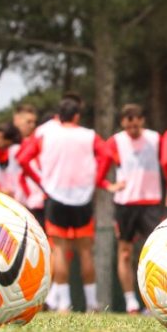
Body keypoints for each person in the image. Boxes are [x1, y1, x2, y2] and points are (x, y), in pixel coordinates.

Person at [17, 95, 111, 313]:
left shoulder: (46, 135)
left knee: (59, 250)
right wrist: (97, 180)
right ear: (77, 116)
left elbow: (22, 159)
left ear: (59, 117)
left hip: (55, 196)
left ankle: (63, 303)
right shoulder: (89, 135)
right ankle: (92, 304)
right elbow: (107, 154)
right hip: (82, 198)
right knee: (85, 251)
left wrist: (41, 181)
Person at [106, 104, 163, 314]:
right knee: (125, 253)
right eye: (128, 125)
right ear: (122, 123)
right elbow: (99, 166)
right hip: (125, 203)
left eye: (136, 124)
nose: (132, 129)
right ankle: (131, 302)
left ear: (142, 121)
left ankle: (153, 301)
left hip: (150, 202)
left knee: (155, 253)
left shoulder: (155, 139)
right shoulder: (116, 141)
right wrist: (108, 185)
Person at [0, 104, 45, 223]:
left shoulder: (34, 143)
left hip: (30, 204)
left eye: (34, 122)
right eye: (29, 121)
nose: (32, 125)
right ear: (17, 119)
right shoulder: (4, 145)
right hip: (8, 204)